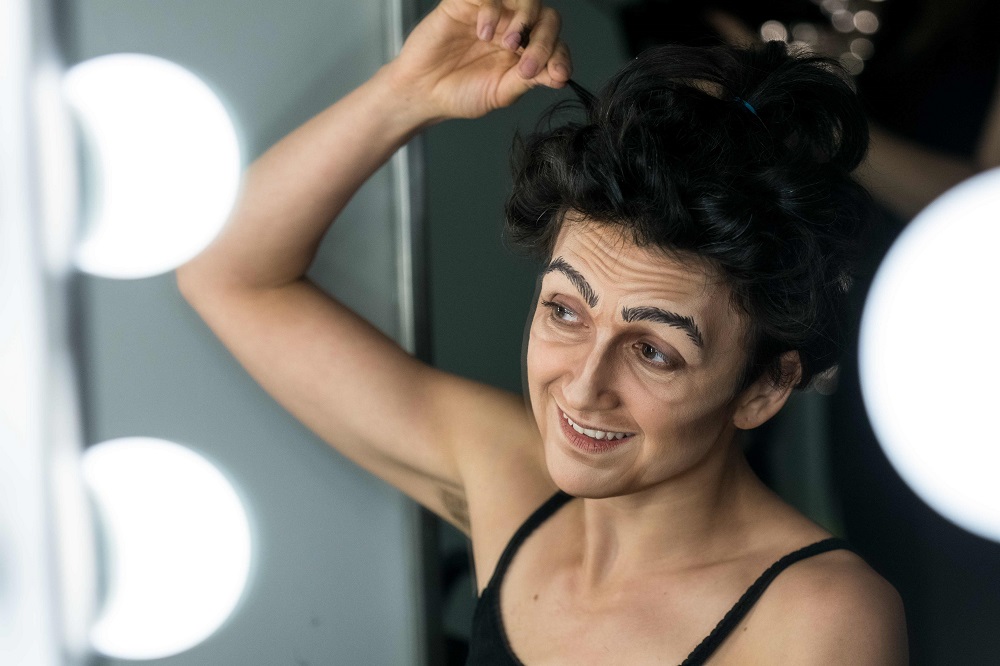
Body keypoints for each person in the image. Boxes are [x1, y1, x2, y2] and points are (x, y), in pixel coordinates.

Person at [176, 0, 907, 662]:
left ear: (763, 388)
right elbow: (227, 271)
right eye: (565, 311)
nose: (584, 387)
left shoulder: (819, 618)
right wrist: (407, 93)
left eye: (654, 351)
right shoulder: (510, 478)